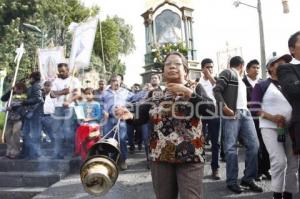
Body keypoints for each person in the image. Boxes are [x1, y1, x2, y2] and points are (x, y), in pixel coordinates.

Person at [114, 52, 214, 199]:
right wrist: (128, 116)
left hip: (191, 156)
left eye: (177, 64)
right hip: (160, 157)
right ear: (163, 72)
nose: (172, 66)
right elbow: (140, 117)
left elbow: (210, 110)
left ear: (186, 72)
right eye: (168, 64)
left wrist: (189, 94)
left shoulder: (195, 88)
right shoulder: (154, 94)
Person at [252, 54, 299, 199]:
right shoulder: (261, 85)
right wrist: (273, 117)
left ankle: (288, 193)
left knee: (293, 162)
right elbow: (254, 108)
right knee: (279, 161)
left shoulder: (291, 85)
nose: (285, 65)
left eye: (286, 63)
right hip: (270, 127)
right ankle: (277, 194)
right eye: (280, 63)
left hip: (290, 128)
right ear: (270, 68)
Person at [213, 56, 262, 194]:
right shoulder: (228, 72)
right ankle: (232, 181)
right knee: (230, 148)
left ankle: (248, 178)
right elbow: (216, 90)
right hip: (232, 114)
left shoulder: (240, 79)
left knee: (254, 145)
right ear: (242, 65)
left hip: (245, 113)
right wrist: (224, 108)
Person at [243, 59, 271, 181]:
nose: (256, 69)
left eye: (258, 67)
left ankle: (265, 169)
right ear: (247, 69)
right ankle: (253, 172)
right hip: (248, 118)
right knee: (254, 146)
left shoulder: (262, 83)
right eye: (254, 67)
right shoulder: (242, 83)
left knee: (266, 145)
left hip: (263, 117)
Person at [100, 74, 134, 170]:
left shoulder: (126, 92)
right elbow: (100, 103)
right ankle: (111, 161)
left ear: (121, 81)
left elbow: (135, 101)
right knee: (109, 140)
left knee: (122, 139)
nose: (115, 82)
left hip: (121, 119)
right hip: (108, 119)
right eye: (113, 80)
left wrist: (127, 109)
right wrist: (104, 111)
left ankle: (123, 160)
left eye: (117, 80)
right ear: (110, 81)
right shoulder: (105, 92)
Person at [51, 63, 81, 158]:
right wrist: (63, 92)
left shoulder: (74, 80)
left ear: (68, 70)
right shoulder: (56, 81)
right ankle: (57, 152)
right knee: (56, 130)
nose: (61, 73)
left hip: (69, 107)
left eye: (63, 71)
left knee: (68, 130)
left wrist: (68, 101)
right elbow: (52, 94)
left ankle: (70, 152)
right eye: (60, 71)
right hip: (58, 108)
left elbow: (78, 94)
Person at [199, 58, 221, 180]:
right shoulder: (198, 82)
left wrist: (211, 77)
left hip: (214, 111)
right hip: (200, 112)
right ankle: (199, 167)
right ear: (202, 68)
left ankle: (215, 168)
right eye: (207, 67)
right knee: (198, 141)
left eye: (211, 67)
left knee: (215, 142)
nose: (210, 69)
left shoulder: (216, 81)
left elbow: (218, 89)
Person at [1, 83, 27, 159]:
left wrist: (11, 108)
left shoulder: (24, 96)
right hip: (9, 117)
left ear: (21, 89)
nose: (16, 90)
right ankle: (9, 151)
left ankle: (15, 151)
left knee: (16, 134)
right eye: (15, 89)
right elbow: (3, 98)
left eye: (18, 89)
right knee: (7, 134)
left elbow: (19, 104)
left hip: (18, 118)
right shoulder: (12, 94)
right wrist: (10, 91)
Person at [22, 72, 44, 159]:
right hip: (32, 113)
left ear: (33, 78)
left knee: (33, 134)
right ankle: (30, 153)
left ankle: (34, 153)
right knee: (28, 133)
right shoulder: (35, 86)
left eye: (30, 78)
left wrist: (25, 102)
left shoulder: (37, 86)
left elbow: (38, 99)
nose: (29, 80)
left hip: (34, 114)